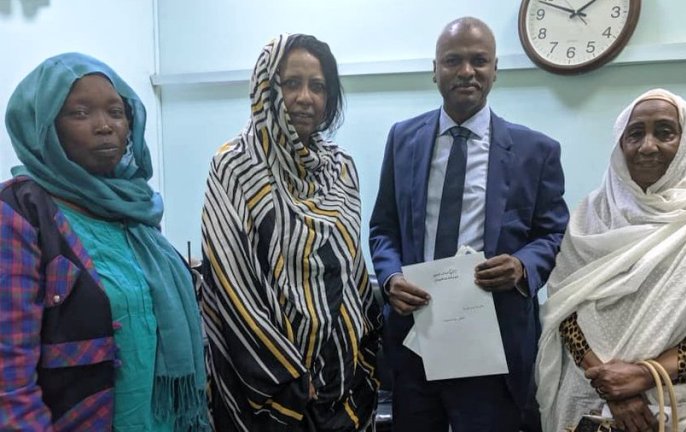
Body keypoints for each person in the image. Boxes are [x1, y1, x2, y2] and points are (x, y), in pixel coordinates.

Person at [369, 17, 569, 432]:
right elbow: (383, 227)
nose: (466, 71)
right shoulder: (403, 139)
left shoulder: (537, 150)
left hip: (492, 344)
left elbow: (552, 233)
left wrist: (522, 267)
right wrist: (389, 279)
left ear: (495, 69)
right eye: (453, 60)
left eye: (479, 61)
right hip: (416, 338)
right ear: (435, 69)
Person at [535, 88, 686, 432]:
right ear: (620, 144)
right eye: (635, 134)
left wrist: (643, 376)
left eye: (664, 132)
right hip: (588, 401)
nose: (648, 146)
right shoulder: (589, 217)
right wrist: (611, 385)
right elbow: (564, 308)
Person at [0, 53, 209, 431]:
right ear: (43, 127)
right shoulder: (21, 214)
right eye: (80, 113)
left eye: (116, 111)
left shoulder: (133, 209)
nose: (105, 126)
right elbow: (8, 377)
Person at [200, 34, 381, 432]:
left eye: (317, 86)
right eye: (291, 83)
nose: (304, 97)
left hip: (341, 376)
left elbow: (350, 269)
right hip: (270, 382)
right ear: (267, 87)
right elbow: (233, 281)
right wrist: (287, 376)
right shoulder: (235, 165)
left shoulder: (341, 168)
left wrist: (361, 349)